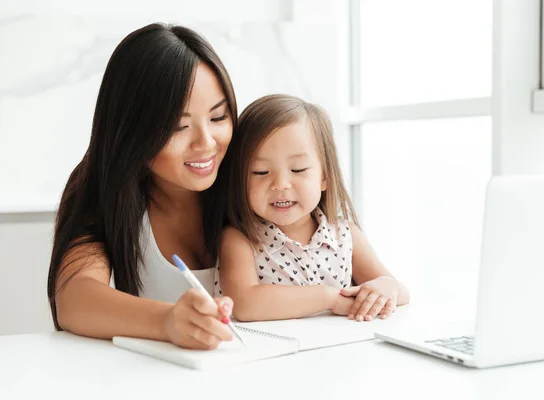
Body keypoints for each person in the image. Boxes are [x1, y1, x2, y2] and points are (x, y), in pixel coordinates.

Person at [47, 23, 239, 350]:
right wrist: (168, 321)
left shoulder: (250, 172)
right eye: (179, 126)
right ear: (133, 131)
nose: (206, 143)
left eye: (218, 118)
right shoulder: (103, 191)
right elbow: (75, 298)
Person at [215, 94, 410, 322]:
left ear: (324, 176)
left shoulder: (345, 235)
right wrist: (330, 298)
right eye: (260, 172)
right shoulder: (241, 240)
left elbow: (401, 293)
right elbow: (245, 304)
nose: (280, 185)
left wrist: (386, 287)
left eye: (297, 170)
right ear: (240, 180)